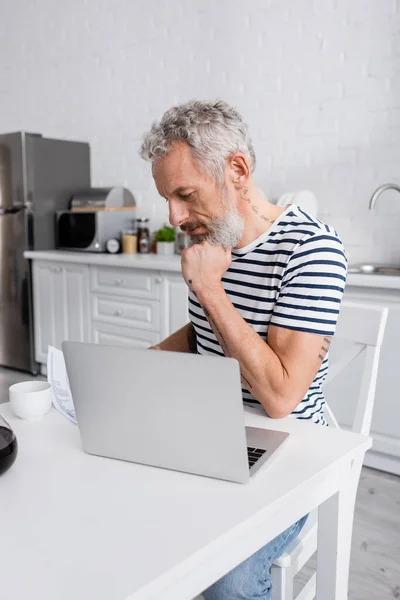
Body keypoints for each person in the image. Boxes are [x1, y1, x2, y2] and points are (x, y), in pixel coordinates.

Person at [139, 100, 347, 600]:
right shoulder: (211, 241)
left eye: (185, 194)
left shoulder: (311, 251)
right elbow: (200, 337)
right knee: (122, 519)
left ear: (236, 169)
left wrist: (211, 289)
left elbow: (279, 397)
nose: (174, 217)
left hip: (290, 451)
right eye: (168, 198)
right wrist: (135, 368)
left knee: (227, 581)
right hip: (209, 434)